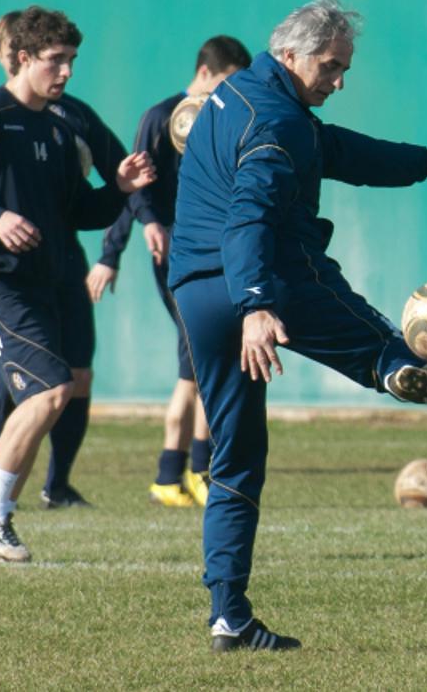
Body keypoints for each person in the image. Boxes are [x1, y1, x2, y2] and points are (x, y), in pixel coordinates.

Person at [169, 0, 427, 652]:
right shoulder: (278, 124)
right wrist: (257, 304)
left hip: (196, 291)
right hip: (264, 279)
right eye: (331, 65)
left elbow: (346, 152)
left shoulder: (237, 93)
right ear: (292, 54)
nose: (340, 79)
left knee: (235, 456)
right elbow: (251, 214)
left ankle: (228, 614)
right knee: (368, 336)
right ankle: (394, 364)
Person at [0, 6, 155, 563]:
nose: (67, 72)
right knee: (50, 390)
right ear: (22, 59)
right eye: (56, 60)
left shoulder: (55, 126)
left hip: (42, 282)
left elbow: (76, 210)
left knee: (51, 392)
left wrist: (118, 188)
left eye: (72, 60)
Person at [88, 35, 252, 508]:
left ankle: (191, 470)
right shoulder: (161, 118)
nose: (231, 92)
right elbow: (132, 189)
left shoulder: (224, 118)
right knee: (198, 361)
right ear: (205, 72)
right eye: (227, 82)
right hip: (178, 257)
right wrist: (120, 245)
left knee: (209, 360)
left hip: (217, 254)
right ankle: (177, 472)